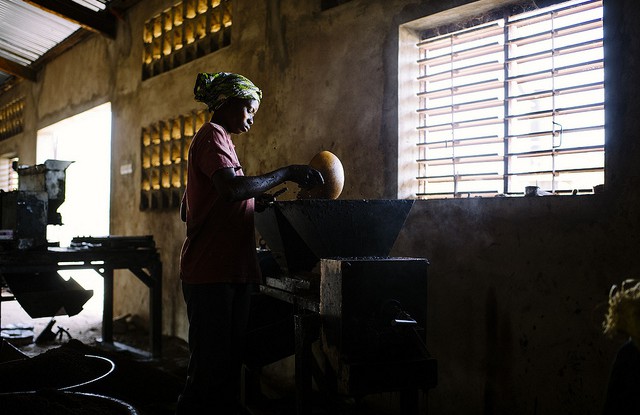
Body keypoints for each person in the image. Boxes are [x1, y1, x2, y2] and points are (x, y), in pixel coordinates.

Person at [176, 72, 323, 415]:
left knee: (225, 372)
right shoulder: (212, 136)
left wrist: (252, 203)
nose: (252, 118)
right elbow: (230, 190)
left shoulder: (223, 141)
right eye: (248, 109)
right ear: (226, 104)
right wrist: (285, 172)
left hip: (228, 271)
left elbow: (190, 208)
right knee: (207, 376)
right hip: (212, 274)